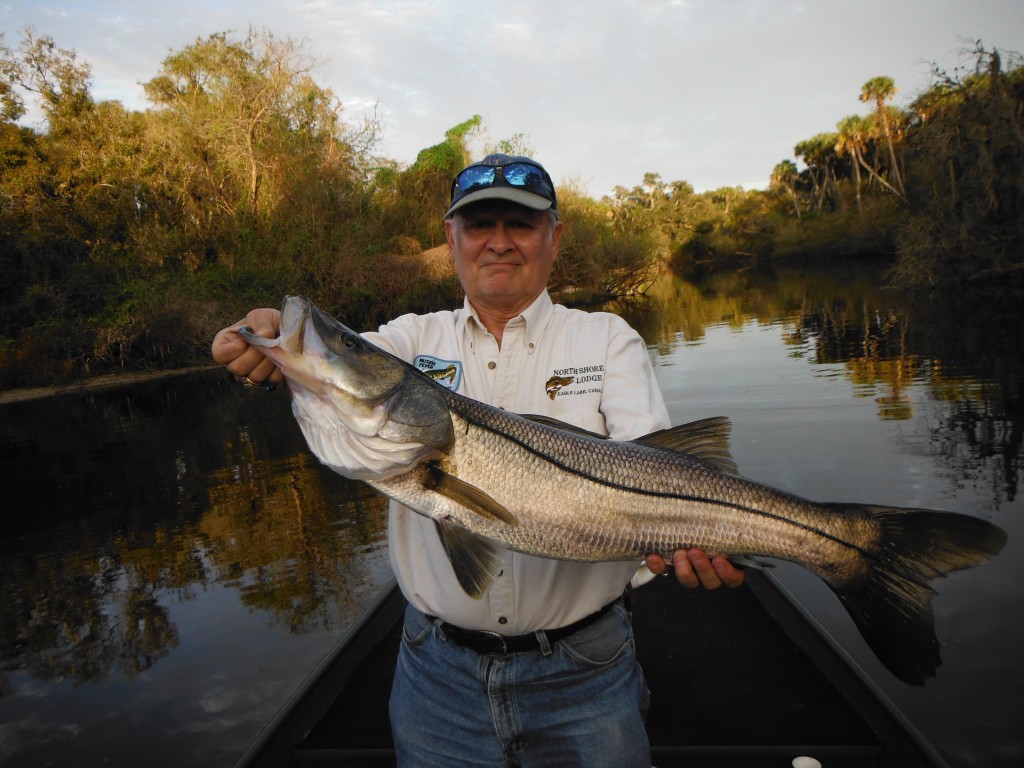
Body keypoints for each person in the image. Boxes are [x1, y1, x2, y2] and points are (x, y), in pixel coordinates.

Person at [212, 154, 744, 767]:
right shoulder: (409, 340)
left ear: (554, 237)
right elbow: (340, 375)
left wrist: (694, 536)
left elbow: (655, 464)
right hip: (437, 679)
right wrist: (266, 347)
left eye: (519, 224)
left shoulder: (607, 338)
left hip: (586, 673)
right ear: (451, 240)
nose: (498, 243)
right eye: (478, 225)